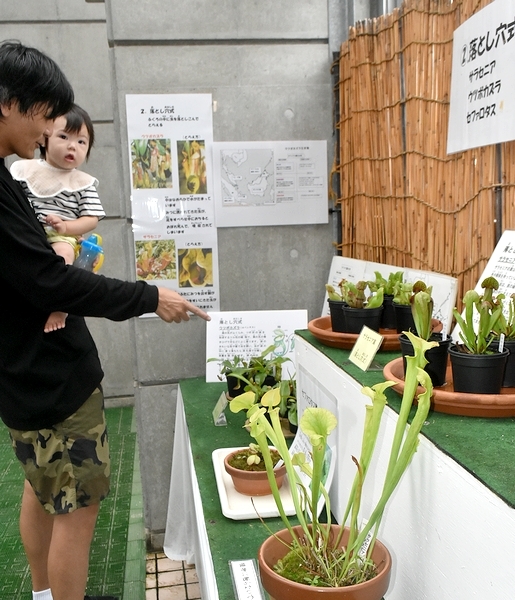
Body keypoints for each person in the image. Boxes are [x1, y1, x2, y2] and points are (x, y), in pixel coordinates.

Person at [0, 41, 210, 600]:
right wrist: (149, 296)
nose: (50, 133)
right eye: (47, 117)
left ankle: (44, 594)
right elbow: (49, 280)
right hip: (54, 379)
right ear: (10, 103)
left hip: (21, 379)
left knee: (41, 490)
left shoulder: (11, 179)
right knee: (78, 509)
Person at [11, 103, 105, 333]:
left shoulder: (83, 183)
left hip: (63, 237)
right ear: (45, 138)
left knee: (63, 255)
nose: (72, 146)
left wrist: (66, 227)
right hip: (27, 233)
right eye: (64, 137)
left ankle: (61, 305)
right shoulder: (26, 169)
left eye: (81, 142)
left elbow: (91, 219)